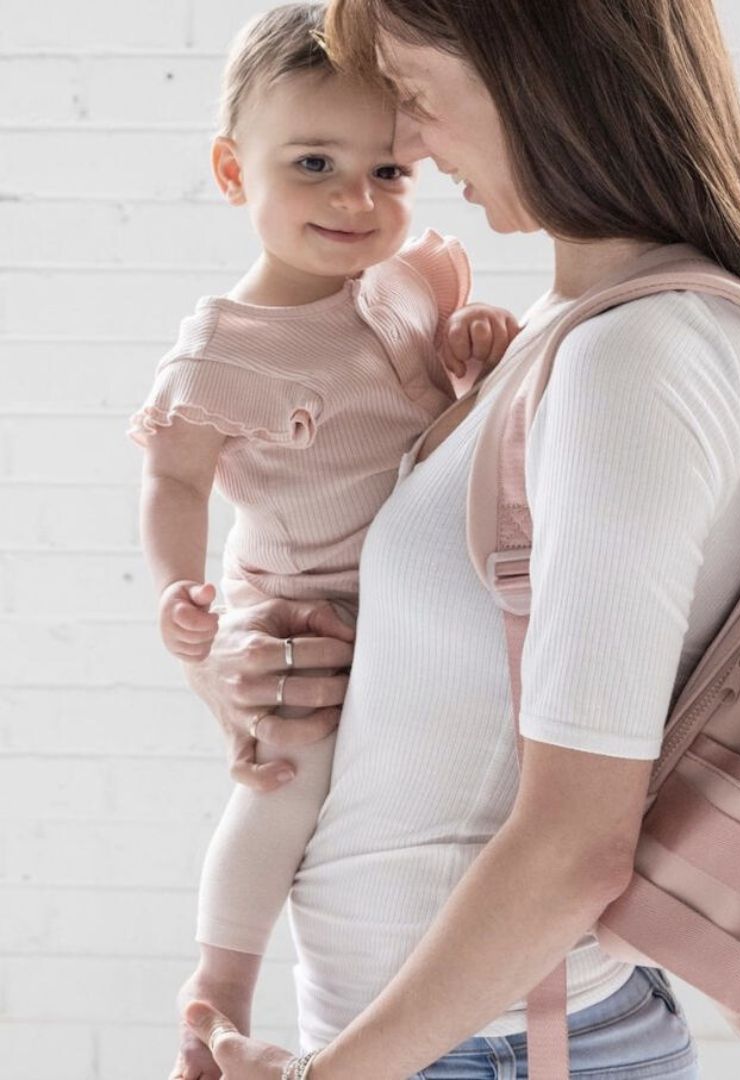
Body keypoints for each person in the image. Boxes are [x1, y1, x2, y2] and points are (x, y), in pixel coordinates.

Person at [177, 0, 740, 1077]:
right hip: (441, 1040)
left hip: (498, 1050)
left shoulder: (634, 357)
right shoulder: (572, 329)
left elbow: (575, 845)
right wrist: (254, 664)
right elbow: (450, 671)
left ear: (534, 70)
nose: (402, 142)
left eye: (412, 91)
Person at [125, 7, 521, 1079]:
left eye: (390, 171)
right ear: (232, 172)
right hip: (309, 599)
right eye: (314, 164)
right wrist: (181, 597)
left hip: (422, 596)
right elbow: (172, 478)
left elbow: (440, 417)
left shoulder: (403, 285)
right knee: (283, 777)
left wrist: (472, 355)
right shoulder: (225, 351)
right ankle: (220, 987)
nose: (358, 200)